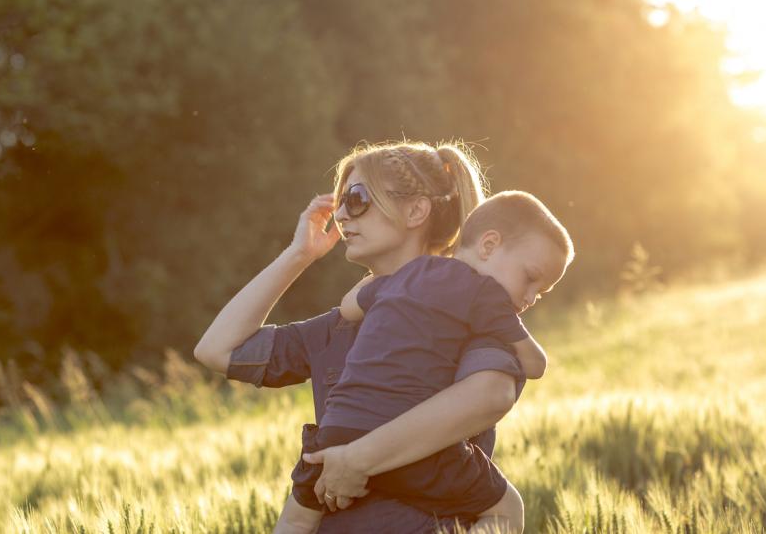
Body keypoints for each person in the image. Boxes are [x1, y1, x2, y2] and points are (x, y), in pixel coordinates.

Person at [194, 142, 533, 533]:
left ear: (416, 211)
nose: (340, 215)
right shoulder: (339, 327)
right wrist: (298, 254)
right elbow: (217, 350)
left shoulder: (469, 312)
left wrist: (356, 459)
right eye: (339, 202)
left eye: (356, 199)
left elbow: (489, 396)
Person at [275, 190, 573, 534]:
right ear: (489, 245)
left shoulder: (408, 273)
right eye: (531, 278)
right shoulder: (486, 295)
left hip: (334, 432)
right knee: (508, 509)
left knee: (296, 520)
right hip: (406, 446)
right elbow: (535, 366)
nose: (530, 297)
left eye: (541, 292)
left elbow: (349, 306)